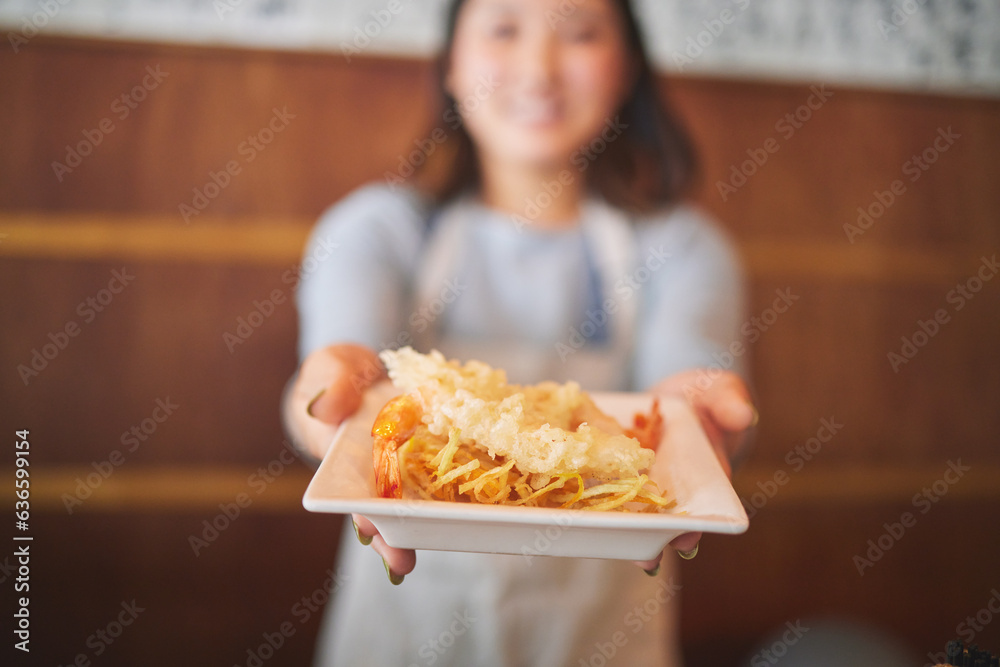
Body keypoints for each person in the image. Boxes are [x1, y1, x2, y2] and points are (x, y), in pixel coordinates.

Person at [283, 0, 756, 664]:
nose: (539, 69)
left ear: (626, 69)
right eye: (504, 29)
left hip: (603, 629)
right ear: (450, 64)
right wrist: (327, 406)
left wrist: (699, 415)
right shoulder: (376, 229)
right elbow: (336, 377)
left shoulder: (682, 248)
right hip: (404, 631)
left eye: (581, 34)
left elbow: (688, 388)